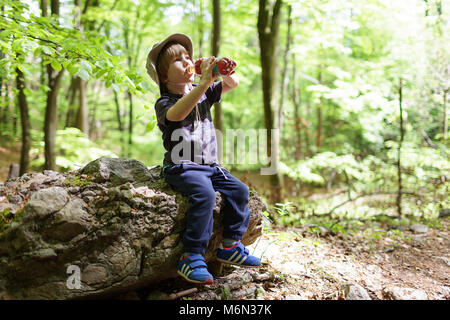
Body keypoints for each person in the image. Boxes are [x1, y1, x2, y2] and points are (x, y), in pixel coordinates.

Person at [146, 33, 260, 285]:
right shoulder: (165, 101)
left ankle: (230, 245)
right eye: (178, 60)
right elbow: (177, 114)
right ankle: (192, 256)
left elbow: (233, 84)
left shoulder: (204, 93)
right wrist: (203, 83)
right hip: (183, 165)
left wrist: (223, 69)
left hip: (210, 166)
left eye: (188, 56)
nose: (186, 61)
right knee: (205, 196)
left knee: (240, 191)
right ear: (164, 77)